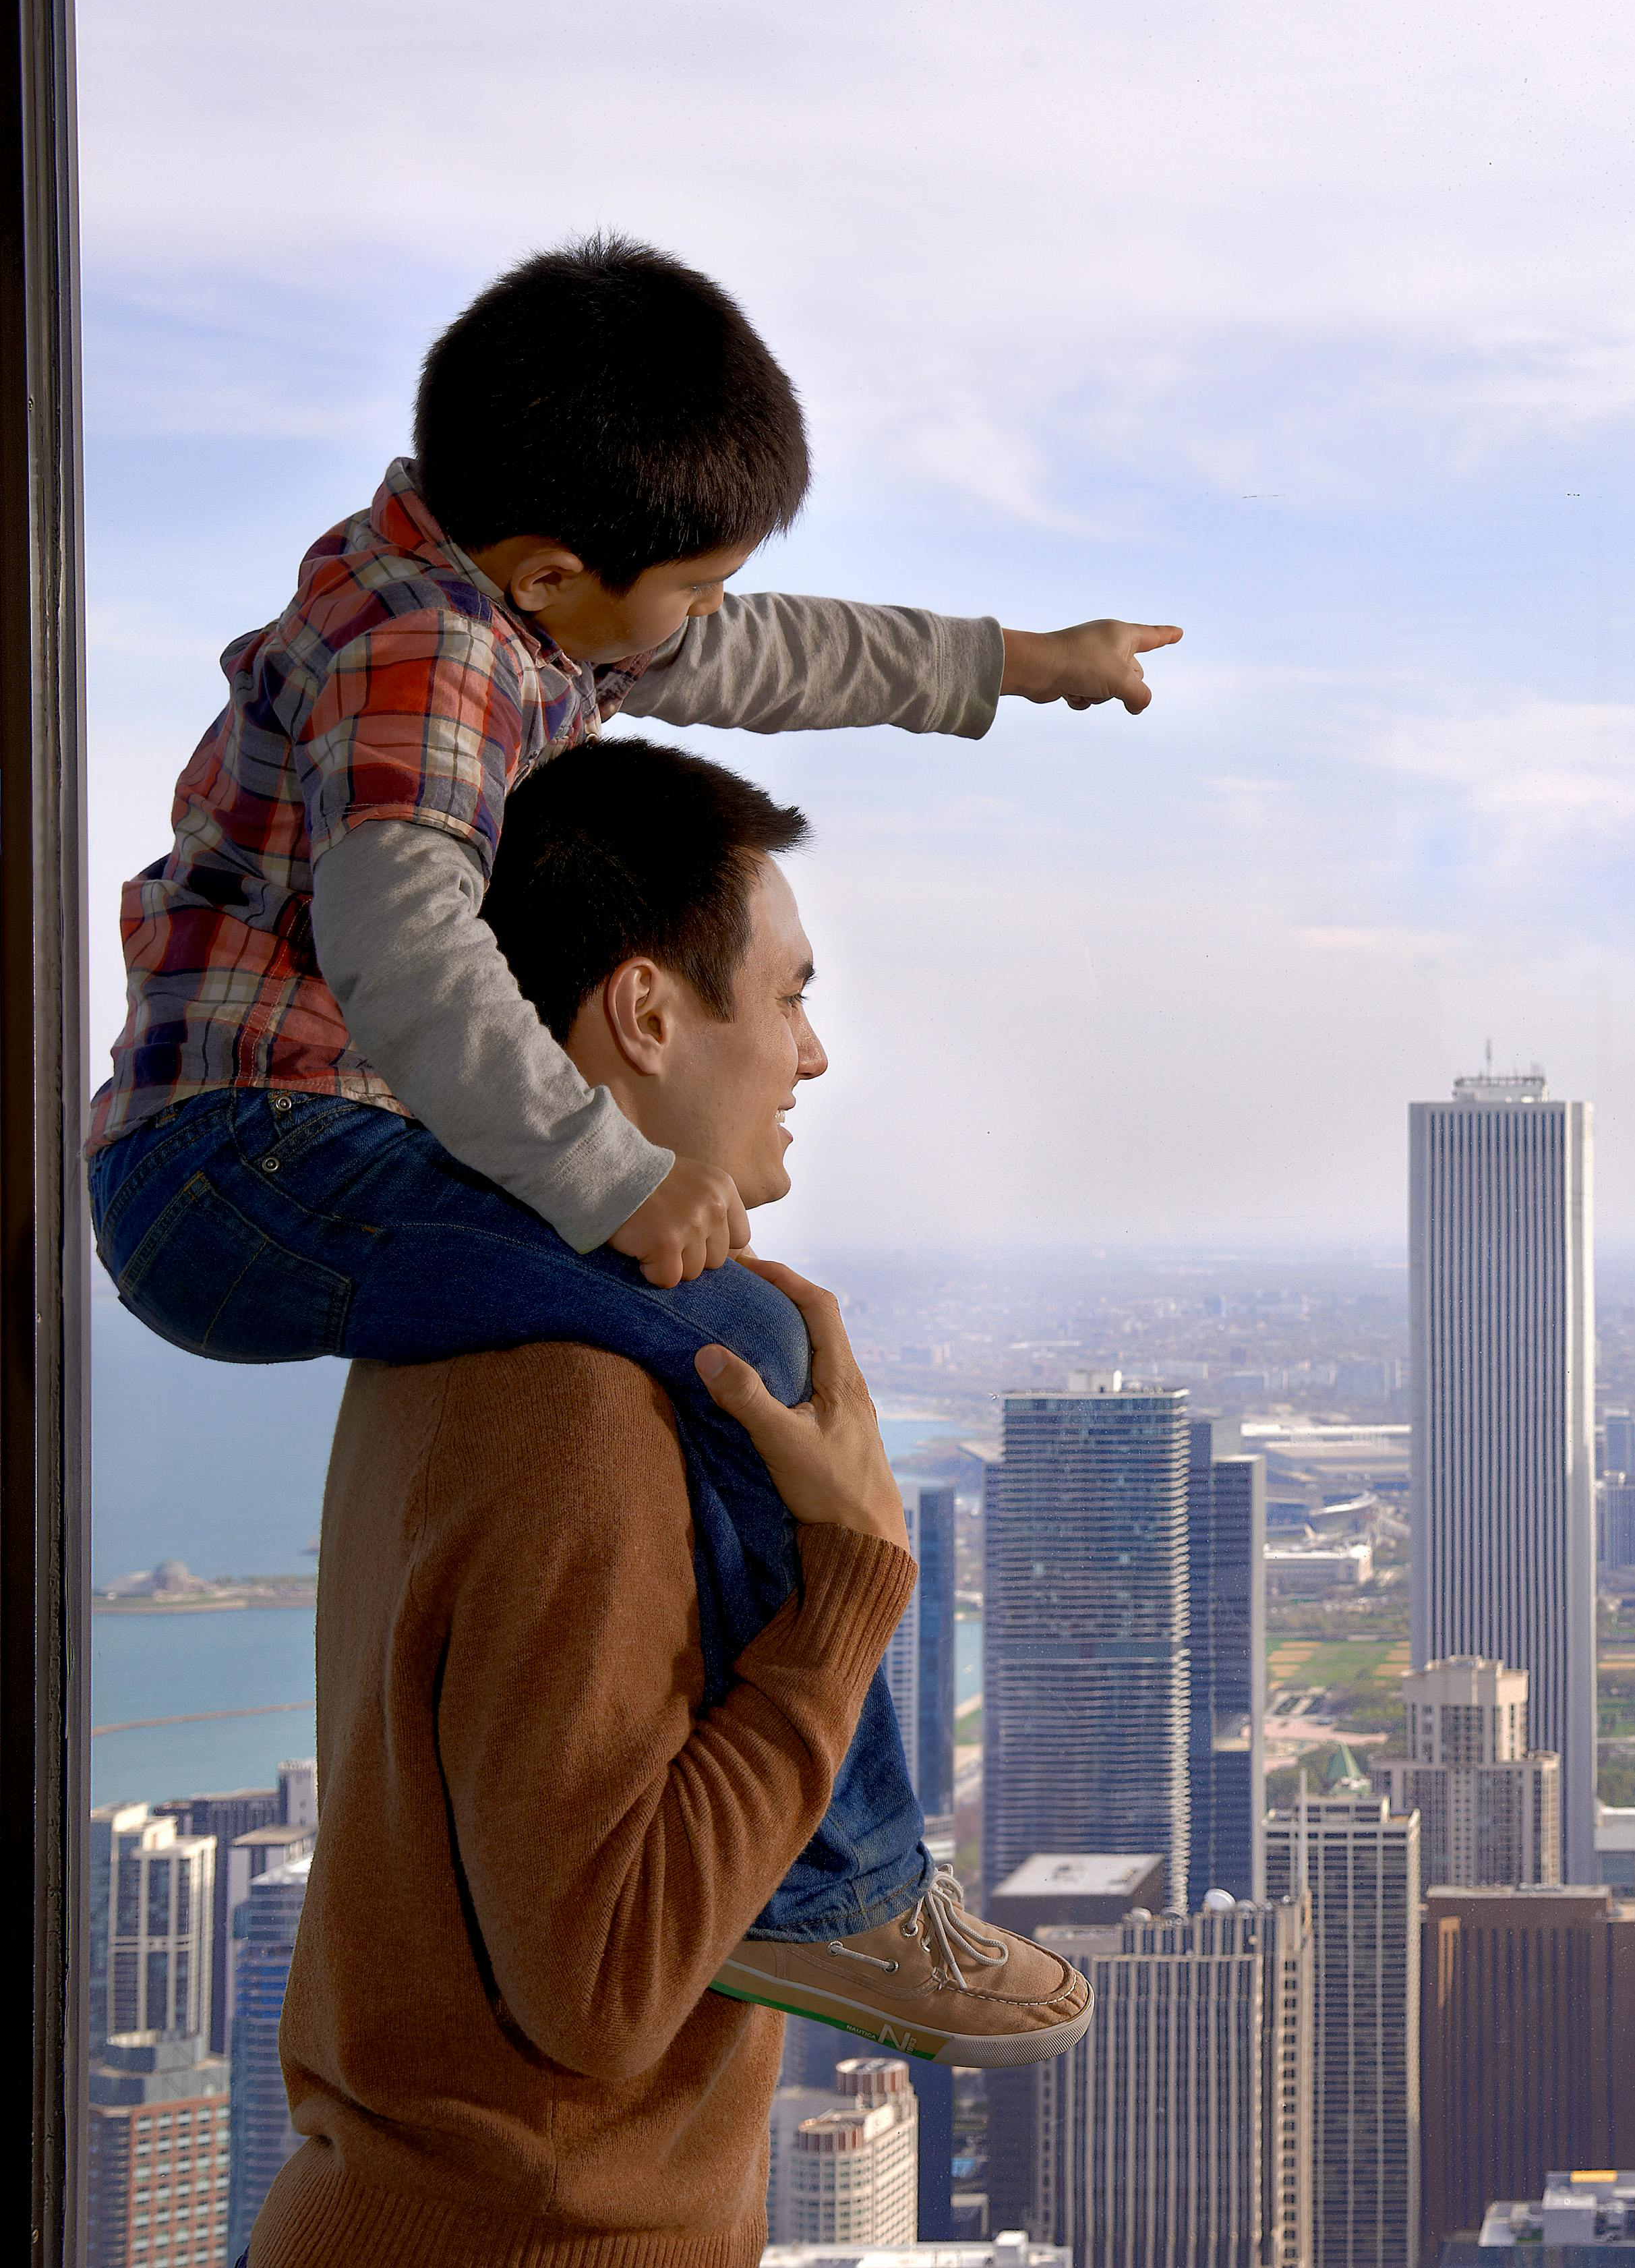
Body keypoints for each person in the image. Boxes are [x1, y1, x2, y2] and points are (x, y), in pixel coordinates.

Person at [82, 235, 1166, 2034]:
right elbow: (405, 947)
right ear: (555, 569)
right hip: (243, 1166)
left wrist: (1011, 661)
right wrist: (612, 1176)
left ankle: (824, 1874)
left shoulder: (505, 601)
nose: (695, 633)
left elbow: (770, 654)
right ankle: (843, 1894)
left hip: (276, 1154)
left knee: (753, 1314)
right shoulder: (424, 656)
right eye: (685, 592)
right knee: (733, 1328)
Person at [242, 740, 1089, 2264]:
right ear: (645, 1013)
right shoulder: (579, 1400)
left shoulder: (460, 1328)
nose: (813, 1055)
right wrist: (848, 1590)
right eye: (788, 995)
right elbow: (604, 1984)